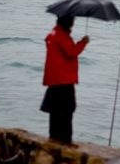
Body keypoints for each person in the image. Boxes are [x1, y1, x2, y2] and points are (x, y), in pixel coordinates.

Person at [40, 15, 89, 144]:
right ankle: (66, 141)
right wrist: (83, 43)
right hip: (64, 79)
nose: (73, 23)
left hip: (54, 78)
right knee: (67, 109)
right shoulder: (62, 36)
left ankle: (54, 137)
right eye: (72, 20)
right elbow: (71, 52)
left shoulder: (53, 33)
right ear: (67, 22)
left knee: (55, 111)